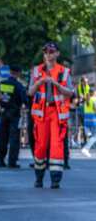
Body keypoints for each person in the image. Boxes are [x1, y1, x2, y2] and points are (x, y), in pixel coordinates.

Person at [28, 42, 73, 188]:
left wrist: (57, 85)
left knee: (56, 145)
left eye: (52, 51)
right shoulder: (36, 71)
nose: (48, 54)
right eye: (46, 51)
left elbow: (71, 93)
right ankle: (39, 177)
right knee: (40, 145)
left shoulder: (64, 71)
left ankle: (55, 179)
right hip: (41, 113)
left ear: (57, 54)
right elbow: (30, 92)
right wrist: (40, 81)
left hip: (57, 113)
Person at [0, 65, 27, 168]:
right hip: (15, 114)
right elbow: (25, 100)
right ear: (18, 73)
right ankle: (12, 161)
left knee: (2, 137)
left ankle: (0, 160)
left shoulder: (2, 83)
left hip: (3, 113)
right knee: (14, 138)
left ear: (10, 72)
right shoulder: (19, 86)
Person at [80, 88, 96, 157]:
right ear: (94, 93)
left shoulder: (87, 99)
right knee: (95, 136)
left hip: (86, 119)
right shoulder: (94, 99)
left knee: (92, 135)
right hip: (92, 118)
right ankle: (86, 149)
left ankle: (87, 146)